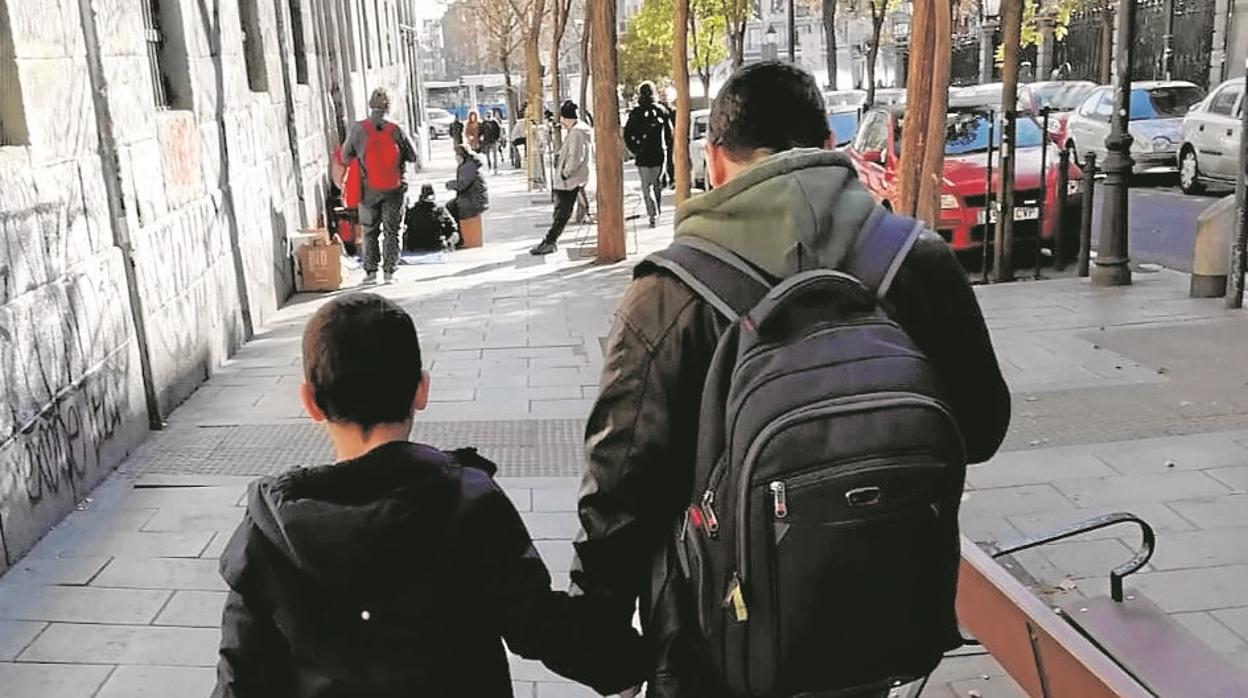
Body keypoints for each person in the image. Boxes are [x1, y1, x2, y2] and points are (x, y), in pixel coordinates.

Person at [569, 61, 1011, 696]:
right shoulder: (915, 259)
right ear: (829, 149)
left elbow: (620, 482)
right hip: (878, 618)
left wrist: (597, 624)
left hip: (713, 642)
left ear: (715, 161)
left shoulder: (670, 294)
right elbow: (983, 428)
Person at [211, 293, 648, 698]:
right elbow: (538, 625)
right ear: (421, 389)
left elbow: (239, 677)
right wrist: (627, 664)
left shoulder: (269, 529)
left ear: (311, 402)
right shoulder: (469, 502)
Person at [342, 87, 417, 285]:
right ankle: (390, 272)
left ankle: (370, 273)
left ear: (370, 104)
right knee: (393, 230)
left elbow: (344, 156)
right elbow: (413, 155)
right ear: (388, 106)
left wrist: (361, 157)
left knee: (369, 230)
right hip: (395, 188)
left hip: (368, 189)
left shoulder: (358, 129)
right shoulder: (395, 129)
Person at [530, 101, 593, 256]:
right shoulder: (579, 131)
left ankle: (549, 241)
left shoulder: (577, 133)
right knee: (561, 212)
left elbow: (576, 156)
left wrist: (566, 173)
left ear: (567, 118)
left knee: (562, 213)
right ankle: (550, 241)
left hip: (569, 180)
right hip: (572, 178)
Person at [623, 82, 672, 228]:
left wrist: (634, 148)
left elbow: (627, 134)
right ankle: (657, 211)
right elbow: (670, 133)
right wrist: (667, 147)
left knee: (646, 186)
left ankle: (653, 214)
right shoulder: (662, 110)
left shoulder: (636, 112)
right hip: (659, 152)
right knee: (657, 183)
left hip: (643, 154)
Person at [403, 184, 459, 252]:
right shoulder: (438, 210)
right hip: (428, 244)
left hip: (428, 244)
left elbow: (452, 227)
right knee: (455, 234)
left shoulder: (413, 211)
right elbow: (453, 227)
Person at [445, 144, 489, 225]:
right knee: (451, 206)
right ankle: (459, 230)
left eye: (457, 155)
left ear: (462, 156)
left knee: (451, 209)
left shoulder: (468, 166)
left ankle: (460, 232)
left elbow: (462, 185)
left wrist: (450, 185)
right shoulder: (469, 163)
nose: (456, 158)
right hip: (473, 197)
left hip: (474, 200)